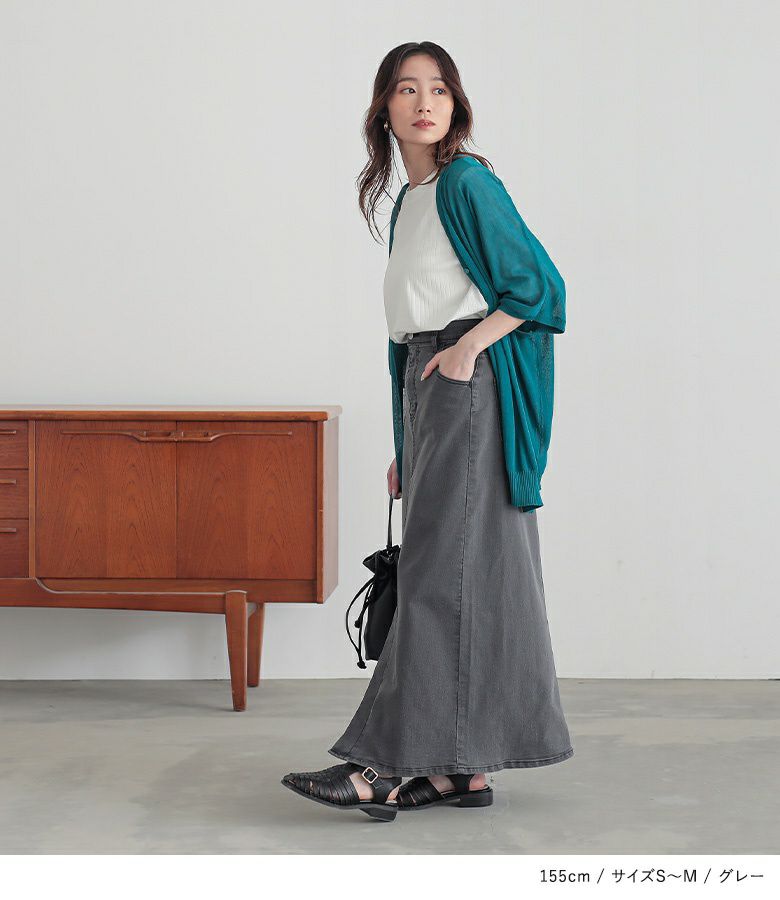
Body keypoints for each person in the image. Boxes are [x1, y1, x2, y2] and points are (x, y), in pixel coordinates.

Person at [282, 41, 573, 822]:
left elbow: (540, 289)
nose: (424, 102)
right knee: (458, 573)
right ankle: (459, 772)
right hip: (432, 389)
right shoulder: (410, 202)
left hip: (465, 384)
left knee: (442, 576)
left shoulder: (467, 182)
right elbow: (405, 332)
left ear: (456, 104)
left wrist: (471, 348)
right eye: (407, 89)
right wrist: (409, 443)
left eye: (439, 89)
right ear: (384, 107)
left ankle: (380, 765)